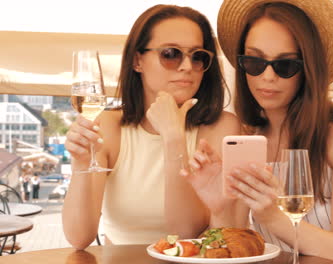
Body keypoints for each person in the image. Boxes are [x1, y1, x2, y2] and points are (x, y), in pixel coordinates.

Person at [183, 0, 333, 263]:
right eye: (254, 62)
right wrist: (219, 207)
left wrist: (273, 217)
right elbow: (238, 249)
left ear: (308, 70)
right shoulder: (250, 141)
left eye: (285, 65)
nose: (268, 76)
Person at [62, 4, 240, 249]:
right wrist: (81, 164)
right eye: (171, 54)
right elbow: (79, 237)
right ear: (137, 61)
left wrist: (173, 138)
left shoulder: (222, 127)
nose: (187, 66)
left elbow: (186, 232)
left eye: (198, 56)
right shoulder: (108, 126)